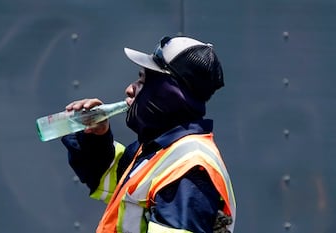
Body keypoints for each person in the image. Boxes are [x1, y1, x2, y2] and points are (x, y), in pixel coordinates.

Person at [61, 35, 236, 233]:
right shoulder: (160, 150)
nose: (129, 89)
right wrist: (96, 137)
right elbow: (118, 184)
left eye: (142, 80)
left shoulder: (188, 169)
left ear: (166, 93)